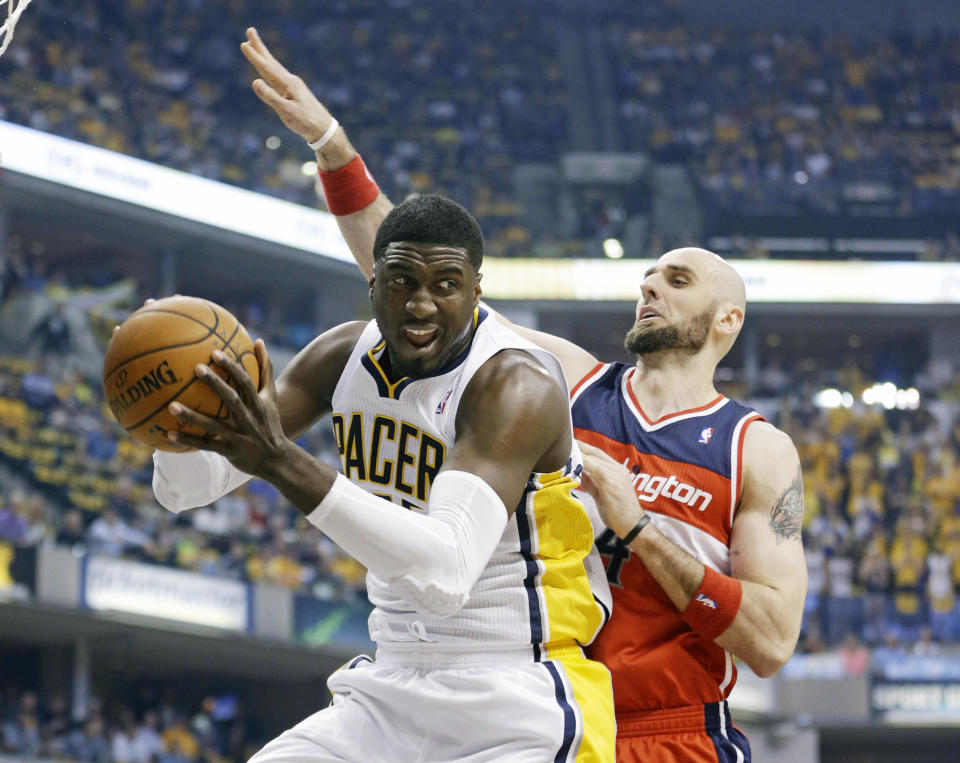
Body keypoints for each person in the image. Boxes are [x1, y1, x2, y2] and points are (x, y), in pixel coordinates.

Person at [238, 27, 807, 761]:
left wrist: (640, 532)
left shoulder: (755, 447)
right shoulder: (562, 381)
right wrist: (332, 146)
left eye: (677, 278)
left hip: (676, 729)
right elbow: (417, 288)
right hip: (545, 707)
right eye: (649, 276)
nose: (650, 285)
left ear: (729, 318)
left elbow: (769, 639)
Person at [150, 191, 615, 760]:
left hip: (516, 691)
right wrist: (169, 415)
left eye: (446, 284)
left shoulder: (515, 384)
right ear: (372, 284)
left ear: (476, 292)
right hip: (388, 683)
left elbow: (445, 574)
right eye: (401, 282)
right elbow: (186, 489)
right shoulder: (341, 355)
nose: (421, 305)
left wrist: (281, 461)